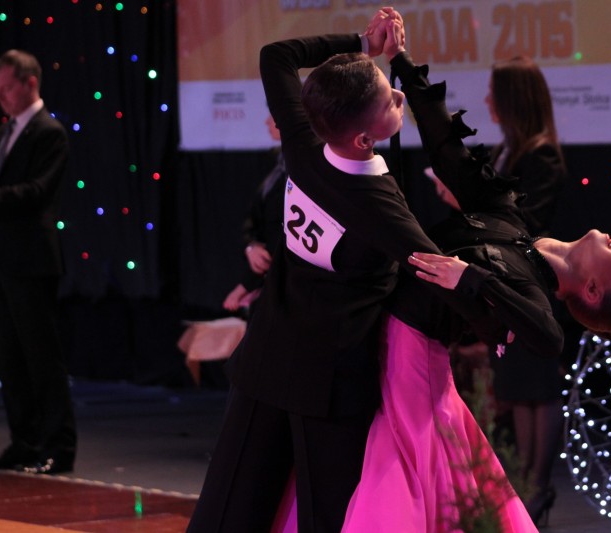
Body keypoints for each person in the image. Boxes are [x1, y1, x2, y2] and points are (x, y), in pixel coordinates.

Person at [336, 11, 611, 531]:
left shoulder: (530, 288)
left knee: (400, 502)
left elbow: (548, 337)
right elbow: (446, 147)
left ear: (593, 289)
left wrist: (471, 279)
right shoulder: (510, 217)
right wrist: (400, 61)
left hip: (409, 366)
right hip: (375, 338)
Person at [186, 11, 491, 533]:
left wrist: (361, 44)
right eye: (390, 100)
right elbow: (438, 271)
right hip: (329, 385)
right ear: (364, 139)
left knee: (229, 511)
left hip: (269, 356)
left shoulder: (303, 144)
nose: (400, 97)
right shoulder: (377, 204)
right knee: (327, 519)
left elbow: (277, 55)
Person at [485, 55, 567, 523]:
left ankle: (539, 484)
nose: (487, 101)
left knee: (539, 387)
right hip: (511, 283)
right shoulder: (508, 148)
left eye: (494, 93)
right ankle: (525, 485)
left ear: (513, 99)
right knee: (517, 387)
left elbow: (529, 221)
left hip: (534, 283)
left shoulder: (542, 155)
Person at [0, 49, 77, 475]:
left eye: (7, 88)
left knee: (41, 355)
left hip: (31, 260)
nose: (1, 97)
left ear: (30, 83)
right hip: (4, 260)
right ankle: (25, 440)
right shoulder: (5, 131)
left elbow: (37, 192)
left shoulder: (50, 132)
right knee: (9, 356)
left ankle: (58, 445)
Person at [223, 114, 286, 313]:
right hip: (268, 275)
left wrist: (248, 285)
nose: (266, 121)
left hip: (286, 280)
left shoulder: (302, 170)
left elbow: (283, 232)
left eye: (273, 116)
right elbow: (256, 220)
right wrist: (251, 246)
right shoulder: (275, 161)